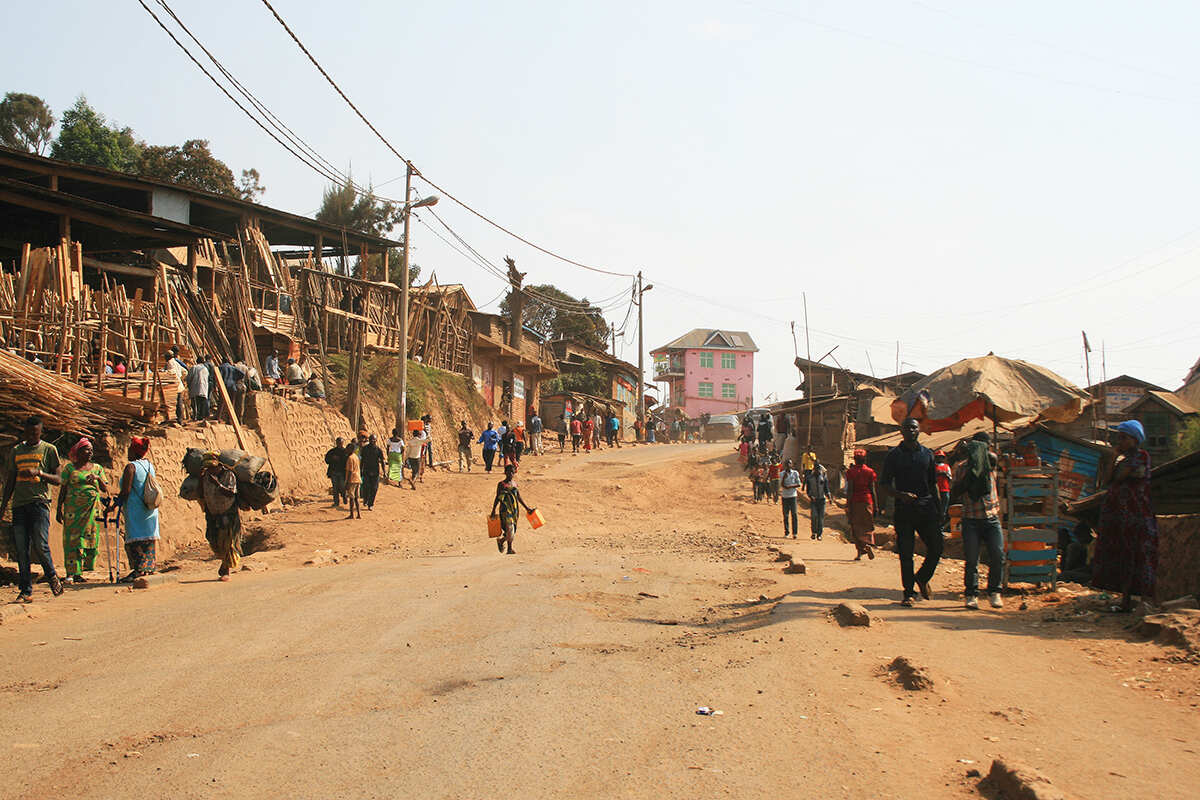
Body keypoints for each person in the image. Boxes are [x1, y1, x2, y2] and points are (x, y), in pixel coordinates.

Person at [1091, 420, 1158, 613]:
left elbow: (1119, 477)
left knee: (1137, 554)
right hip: (1118, 515)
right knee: (1121, 554)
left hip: (1136, 514)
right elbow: (1106, 480)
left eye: (1124, 437)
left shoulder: (1141, 457)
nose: (1119, 441)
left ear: (1134, 439)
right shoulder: (1121, 458)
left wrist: (1115, 458)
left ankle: (1144, 600)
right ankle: (1125, 600)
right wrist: (1113, 458)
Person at [879, 418, 943, 606]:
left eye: (914, 427)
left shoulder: (927, 454)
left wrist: (940, 509)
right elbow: (884, 484)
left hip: (927, 508)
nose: (911, 431)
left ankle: (922, 577)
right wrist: (900, 495)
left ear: (918, 431)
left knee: (937, 547)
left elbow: (933, 484)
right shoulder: (893, 456)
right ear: (901, 431)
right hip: (904, 509)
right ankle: (908, 593)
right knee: (906, 553)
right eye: (907, 428)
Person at [1, 416, 64, 601]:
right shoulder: (16, 451)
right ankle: (25, 590)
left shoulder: (49, 450)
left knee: (40, 543)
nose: (31, 436)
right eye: (28, 432)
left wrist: (40, 473)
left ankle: (51, 575)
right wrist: (4, 505)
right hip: (20, 505)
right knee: (21, 548)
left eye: (35, 433)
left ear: (41, 432)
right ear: (24, 432)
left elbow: (59, 479)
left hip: (40, 503)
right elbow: (10, 481)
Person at [952, 434, 1004, 609]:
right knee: (972, 559)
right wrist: (968, 475)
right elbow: (955, 491)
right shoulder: (961, 468)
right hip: (971, 519)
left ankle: (994, 591)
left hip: (991, 517)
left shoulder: (991, 464)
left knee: (998, 555)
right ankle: (971, 594)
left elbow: (991, 458)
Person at [56, 437, 108, 583]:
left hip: (91, 510)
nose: (90, 452)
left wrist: (97, 478)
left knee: (88, 539)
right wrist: (59, 508)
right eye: (87, 449)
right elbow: (63, 489)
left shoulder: (97, 468)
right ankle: (71, 573)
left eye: (91, 450)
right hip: (73, 511)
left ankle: (80, 572)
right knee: (72, 540)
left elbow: (105, 488)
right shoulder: (69, 469)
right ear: (78, 452)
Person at [117, 436, 160, 581]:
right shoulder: (149, 465)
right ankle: (148, 568)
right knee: (148, 539)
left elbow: (126, 491)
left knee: (136, 539)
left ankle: (138, 570)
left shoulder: (131, 467)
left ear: (134, 451)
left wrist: (114, 505)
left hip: (136, 510)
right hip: (149, 508)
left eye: (129, 449)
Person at [198, 450, 241, 581]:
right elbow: (200, 493)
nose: (211, 470)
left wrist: (217, 484)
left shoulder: (228, 475)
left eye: (212, 467)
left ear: (219, 465)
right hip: (212, 513)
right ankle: (223, 562)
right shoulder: (205, 476)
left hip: (227, 513)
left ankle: (226, 569)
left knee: (227, 542)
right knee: (213, 540)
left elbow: (231, 493)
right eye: (208, 467)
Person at [490, 462, 536, 556]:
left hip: (515, 509)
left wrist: (527, 508)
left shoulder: (514, 484)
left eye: (512, 472)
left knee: (512, 529)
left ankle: (501, 541)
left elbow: (518, 497)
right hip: (505, 510)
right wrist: (493, 510)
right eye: (508, 472)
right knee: (510, 528)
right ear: (505, 473)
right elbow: (497, 497)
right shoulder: (501, 484)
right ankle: (509, 548)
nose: (510, 474)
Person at [844, 449, 878, 560]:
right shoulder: (870, 472)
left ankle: (859, 552)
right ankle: (868, 543)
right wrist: (876, 506)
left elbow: (850, 490)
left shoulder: (851, 472)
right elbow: (873, 490)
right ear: (865, 459)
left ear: (855, 459)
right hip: (867, 501)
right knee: (867, 525)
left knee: (855, 526)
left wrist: (848, 504)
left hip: (855, 501)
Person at [805, 458, 830, 540]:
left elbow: (826, 489)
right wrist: (811, 496)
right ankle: (813, 532)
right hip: (814, 500)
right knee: (814, 516)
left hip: (822, 500)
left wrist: (829, 498)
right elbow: (808, 491)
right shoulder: (810, 478)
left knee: (820, 518)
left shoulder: (823, 477)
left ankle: (819, 534)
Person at [360, 433, 385, 510]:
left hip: (375, 472)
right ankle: (366, 499)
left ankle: (371, 504)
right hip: (366, 471)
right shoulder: (364, 449)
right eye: (371, 440)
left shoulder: (378, 450)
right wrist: (360, 469)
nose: (372, 441)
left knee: (374, 488)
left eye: (374, 440)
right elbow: (362, 460)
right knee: (366, 487)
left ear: (376, 441)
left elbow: (382, 461)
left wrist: (384, 472)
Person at [779, 458, 801, 538]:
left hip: (793, 496)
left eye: (790, 463)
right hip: (785, 496)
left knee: (794, 514)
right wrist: (784, 478)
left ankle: (795, 533)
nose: (788, 465)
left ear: (791, 465)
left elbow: (798, 484)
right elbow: (781, 485)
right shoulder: (781, 474)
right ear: (785, 465)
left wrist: (790, 486)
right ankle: (787, 532)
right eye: (787, 464)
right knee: (786, 515)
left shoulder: (795, 473)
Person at [165, 351, 188, 422]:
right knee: (179, 402)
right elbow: (185, 372)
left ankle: (179, 419)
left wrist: (165, 373)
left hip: (175, 386)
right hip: (179, 385)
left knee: (178, 403)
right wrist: (181, 378)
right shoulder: (176, 362)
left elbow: (171, 372)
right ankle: (180, 418)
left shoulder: (170, 363)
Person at [325, 438, 348, 507]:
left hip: (342, 473)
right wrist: (332, 458)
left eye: (340, 443)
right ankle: (336, 502)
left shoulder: (345, 452)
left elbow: (347, 462)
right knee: (335, 488)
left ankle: (344, 496)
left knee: (342, 487)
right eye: (338, 442)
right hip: (334, 472)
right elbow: (327, 460)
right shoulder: (332, 451)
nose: (339, 444)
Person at [187, 356, 211, 420]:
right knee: (202, 403)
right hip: (204, 388)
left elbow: (189, 378)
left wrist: (188, 385)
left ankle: (196, 416)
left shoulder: (194, 368)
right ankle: (201, 416)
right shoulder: (205, 369)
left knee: (195, 404)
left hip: (195, 388)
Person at [934, 449, 953, 528]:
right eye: (938, 457)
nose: (939, 458)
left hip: (945, 490)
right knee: (936, 509)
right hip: (936, 490)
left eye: (941, 457)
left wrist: (945, 474)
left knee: (943, 510)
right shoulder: (933, 466)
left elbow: (950, 478)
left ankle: (941, 527)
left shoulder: (946, 467)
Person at [344, 441, 362, 519]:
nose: (346, 450)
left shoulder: (350, 458)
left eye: (347, 449)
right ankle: (358, 514)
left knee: (351, 497)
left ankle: (351, 514)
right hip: (358, 478)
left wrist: (347, 482)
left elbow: (350, 471)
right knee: (356, 498)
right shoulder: (356, 456)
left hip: (352, 479)